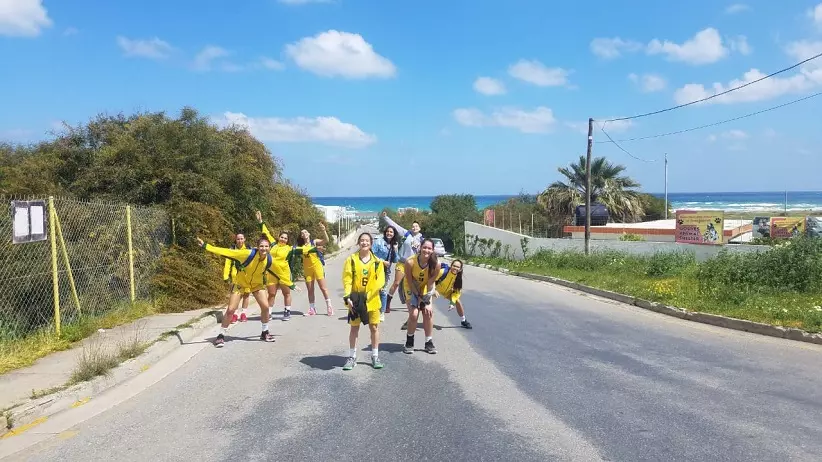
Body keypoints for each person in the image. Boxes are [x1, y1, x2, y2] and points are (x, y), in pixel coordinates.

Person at [196, 235, 276, 346]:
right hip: (240, 284)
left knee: (266, 307)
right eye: (261, 246)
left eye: (266, 246)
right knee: (231, 310)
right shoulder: (247, 254)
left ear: (269, 248)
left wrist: (290, 284)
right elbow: (227, 252)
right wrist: (206, 246)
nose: (264, 248)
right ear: (257, 247)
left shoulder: (269, 260)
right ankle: (221, 335)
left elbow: (280, 271)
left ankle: (265, 332)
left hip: (257, 285)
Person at [342, 232, 386, 370]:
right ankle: (352, 357)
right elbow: (347, 279)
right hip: (355, 299)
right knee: (354, 328)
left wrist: (369, 295)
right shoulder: (351, 260)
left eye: (367, 241)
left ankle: (375, 356)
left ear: (371, 244)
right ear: (358, 243)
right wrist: (347, 297)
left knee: (374, 327)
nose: (364, 243)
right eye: (362, 240)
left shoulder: (377, 262)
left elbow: (380, 282)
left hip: (372, 300)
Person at [256, 211, 299, 320]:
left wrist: (315, 249)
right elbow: (266, 232)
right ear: (278, 237)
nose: (283, 239)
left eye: (285, 238)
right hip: (271, 273)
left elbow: (303, 250)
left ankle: (287, 312)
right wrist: (260, 221)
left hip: (284, 274)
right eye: (282, 237)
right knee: (271, 294)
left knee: (286, 293)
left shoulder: (289, 249)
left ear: (288, 240)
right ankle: (269, 313)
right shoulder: (273, 244)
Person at [402, 239, 439, 354]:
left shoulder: (436, 264)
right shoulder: (410, 262)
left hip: (425, 288)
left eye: (429, 248)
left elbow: (430, 283)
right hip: (411, 286)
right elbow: (409, 281)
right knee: (414, 314)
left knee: (428, 312)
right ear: (420, 248)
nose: (426, 250)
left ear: (433, 250)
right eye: (424, 247)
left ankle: (429, 342)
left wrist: (427, 302)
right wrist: (418, 297)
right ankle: (409, 341)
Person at [381, 212, 424, 312]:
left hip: (413, 265)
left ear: (420, 228)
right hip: (402, 263)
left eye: (416, 226)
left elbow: (426, 252)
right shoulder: (406, 233)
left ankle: (416, 303)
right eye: (413, 226)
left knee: (413, 285)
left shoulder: (422, 240)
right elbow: (395, 225)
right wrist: (385, 217)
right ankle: (387, 302)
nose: (414, 228)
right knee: (396, 283)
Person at [293, 223, 334, 316]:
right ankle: (312, 309)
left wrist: (323, 230)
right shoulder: (300, 246)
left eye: (306, 232)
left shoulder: (314, 242)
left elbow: (325, 240)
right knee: (310, 290)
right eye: (302, 233)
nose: (304, 233)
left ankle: (329, 306)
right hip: (307, 269)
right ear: (301, 236)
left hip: (317, 267)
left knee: (323, 288)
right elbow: (294, 251)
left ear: (309, 234)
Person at [433, 259, 472, 329]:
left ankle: (463, 320)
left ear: (460, 269)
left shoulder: (458, 278)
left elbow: (457, 292)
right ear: (451, 266)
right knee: (425, 304)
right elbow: (432, 280)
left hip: (447, 292)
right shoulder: (442, 272)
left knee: (458, 301)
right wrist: (434, 290)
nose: (455, 268)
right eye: (454, 266)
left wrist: (452, 303)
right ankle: (412, 319)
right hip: (436, 290)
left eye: (458, 267)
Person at [371, 225, 399, 322]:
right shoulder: (378, 241)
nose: (389, 233)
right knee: (373, 290)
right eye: (388, 231)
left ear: (394, 234)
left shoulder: (393, 244)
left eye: (391, 232)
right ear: (385, 232)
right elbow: (371, 254)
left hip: (385, 272)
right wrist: (382, 261)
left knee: (383, 291)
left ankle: (381, 312)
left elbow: (395, 260)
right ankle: (371, 310)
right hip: (375, 269)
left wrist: (395, 249)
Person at [223, 232, 250, 323]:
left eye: (241, 238)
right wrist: (226, 276)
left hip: (247, 276)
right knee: (236, 295)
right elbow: (227, 263)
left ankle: (243, 313)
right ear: (235, 240)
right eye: (238, 239)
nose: (240, 241)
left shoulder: (249, 249)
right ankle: (235, 314)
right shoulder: (232, 250)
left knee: (246, 295)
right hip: (236, 276)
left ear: (244, 239)